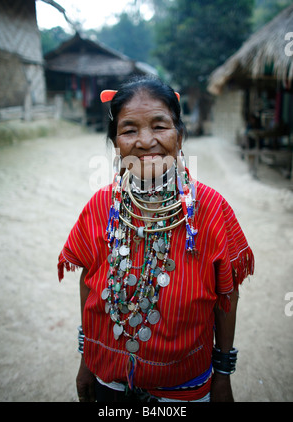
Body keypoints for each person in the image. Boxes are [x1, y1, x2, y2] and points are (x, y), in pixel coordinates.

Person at [57, 76, 254, 403]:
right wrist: (87, 361)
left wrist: (223, 375)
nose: (145, 141)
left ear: (179, 135)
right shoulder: (100, 207)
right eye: (129, 129)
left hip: (184, 390)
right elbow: (88, 285)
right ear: (116, 142)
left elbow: (226, 297)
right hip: (111, 385)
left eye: (159, 126)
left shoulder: (211, 210)